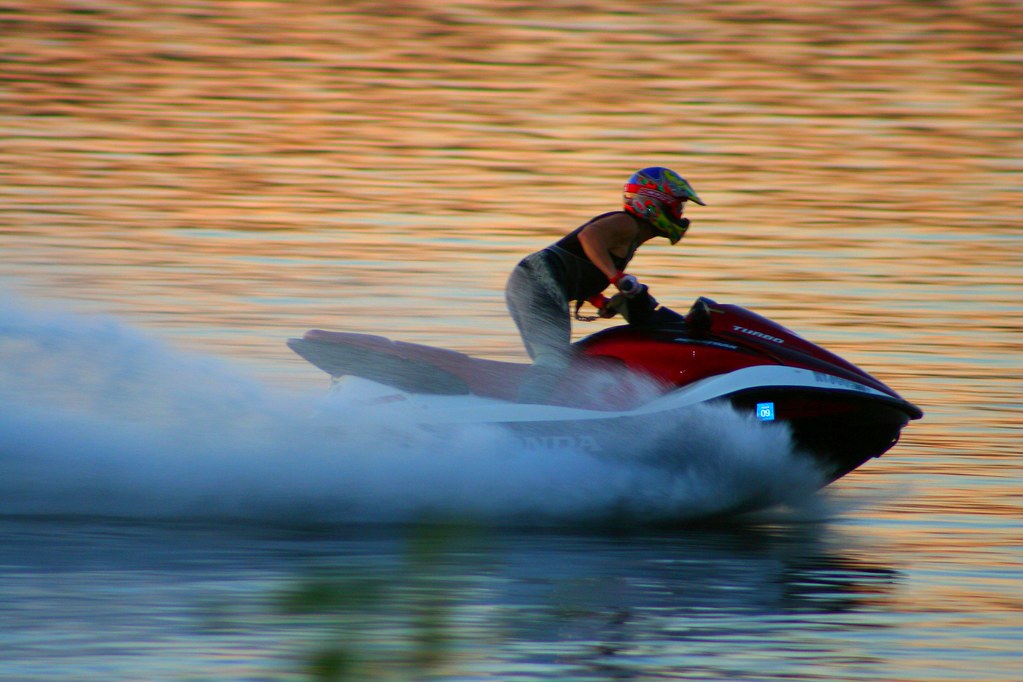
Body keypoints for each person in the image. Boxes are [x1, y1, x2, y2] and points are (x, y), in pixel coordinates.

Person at [505, 166, 705, 403]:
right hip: (538, 282)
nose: (680, 215)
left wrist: (599, 300)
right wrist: (615, 277)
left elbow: (578, 263)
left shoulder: (630, 236)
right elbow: (589, 237)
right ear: (654, 203)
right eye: (677, 207)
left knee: (554, 361)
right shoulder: (626, 223)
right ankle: (526, 415)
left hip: (530, 282)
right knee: (553, 360)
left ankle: (539, 406)